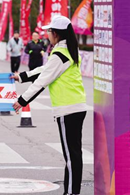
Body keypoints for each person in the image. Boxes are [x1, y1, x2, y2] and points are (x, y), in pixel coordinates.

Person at [12, 16, 87, 195]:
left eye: (49, 31)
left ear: (56, 33)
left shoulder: (60, 54)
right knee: (74, 155)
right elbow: (45, 70)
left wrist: (21, 101)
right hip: (76, 107)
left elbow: (43, 80)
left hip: (68, 108)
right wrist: (22, 76)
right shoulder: (67, 50)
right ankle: (71, 192)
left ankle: (71, 193)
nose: (47, 34)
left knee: (71, 156)